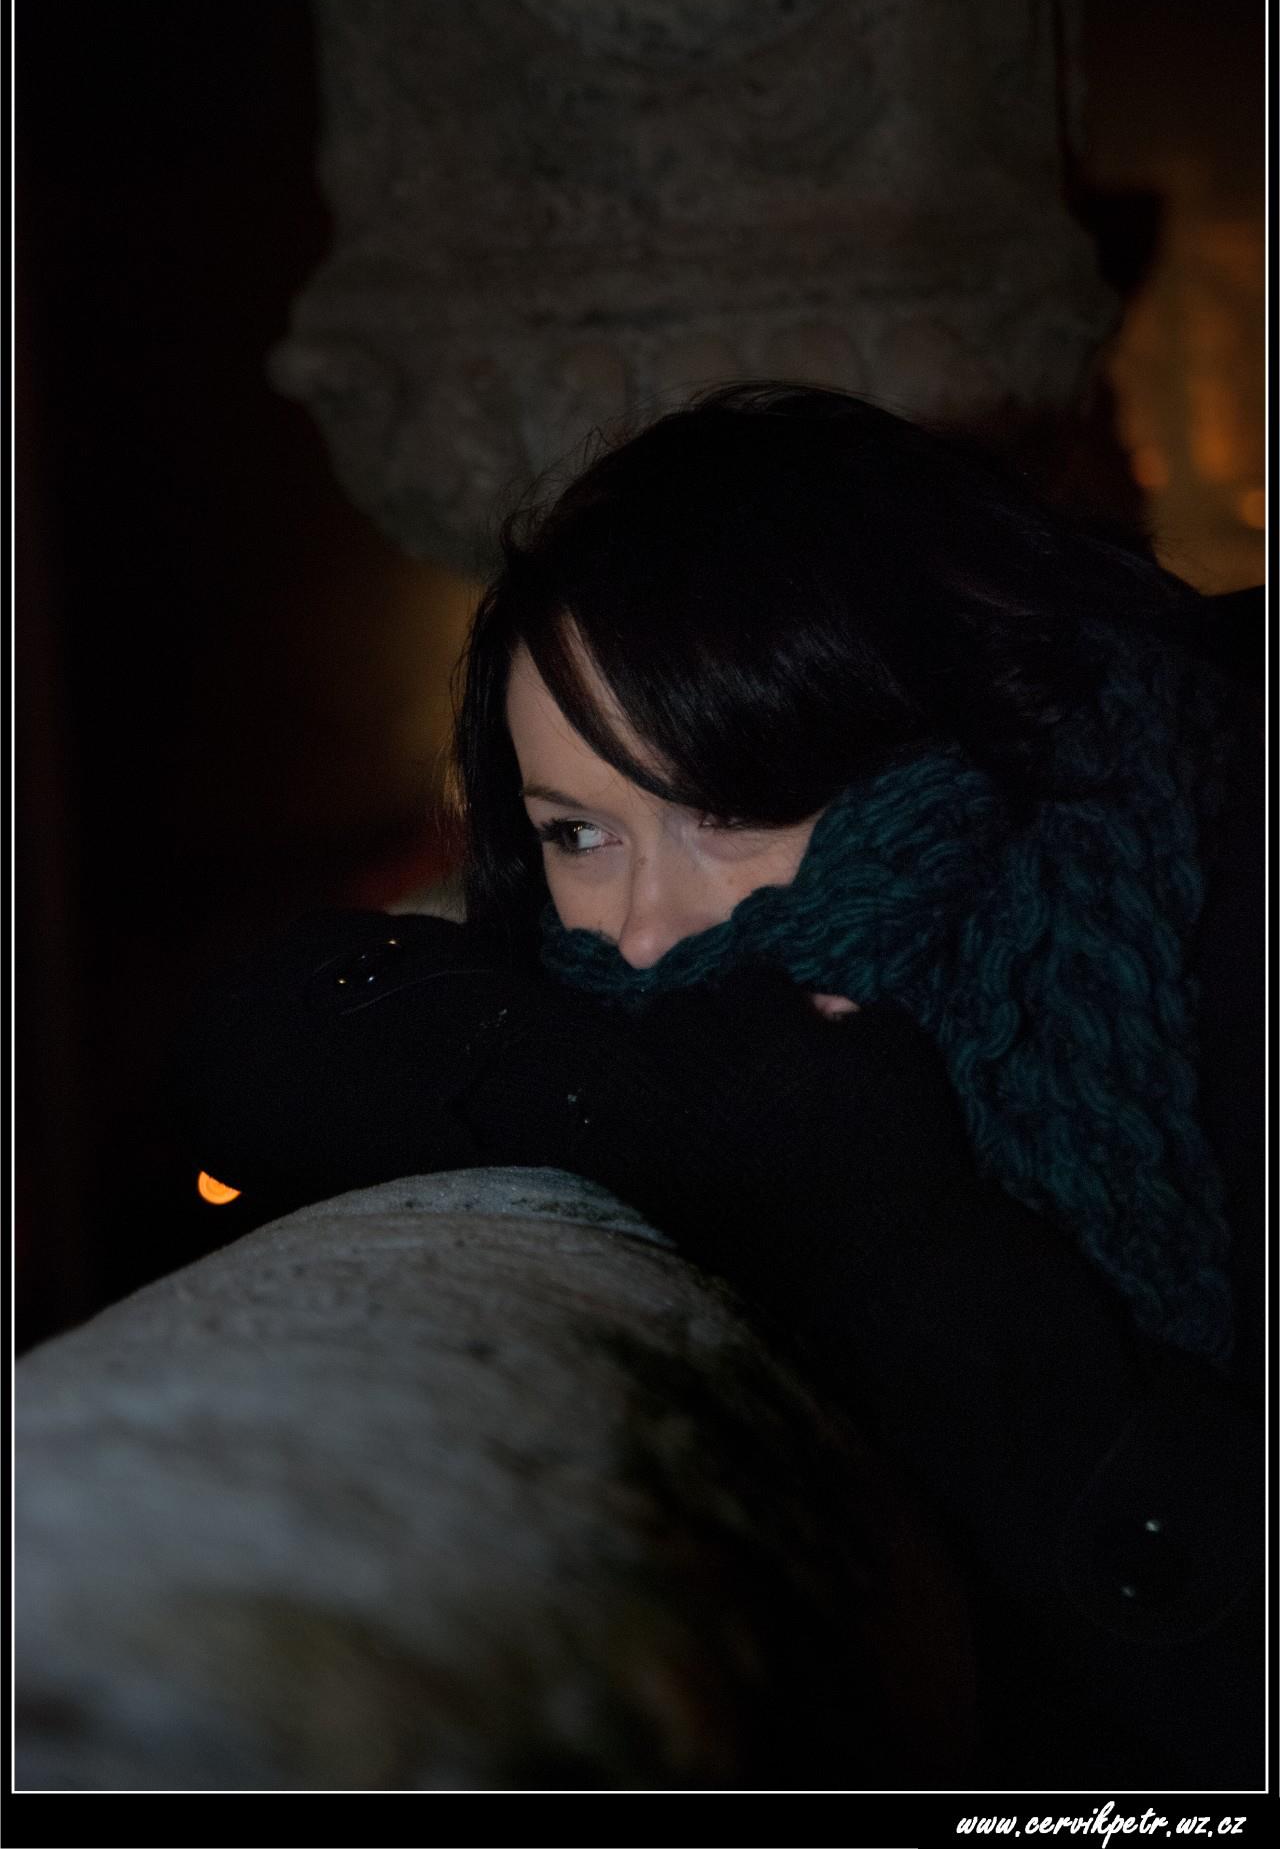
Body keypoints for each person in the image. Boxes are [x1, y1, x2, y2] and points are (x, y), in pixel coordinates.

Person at [176, 384, 1263, 1788]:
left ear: (934, 743)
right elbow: (263, 1043)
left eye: (730, 811)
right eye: (578, 832)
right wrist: (649, 1103)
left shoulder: (1213, 897)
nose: (644, 933)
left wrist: (892, 1231)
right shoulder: (691, 979)